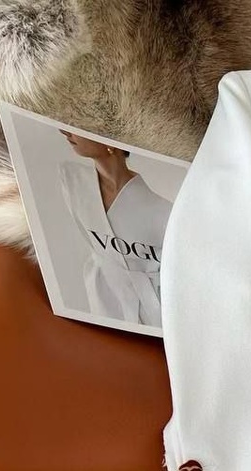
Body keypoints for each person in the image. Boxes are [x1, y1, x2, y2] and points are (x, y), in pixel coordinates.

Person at [57, 131, 172, 325]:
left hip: (153, 308)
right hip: (103, 296)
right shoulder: (73, 181)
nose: (65, 131)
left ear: (110, 141)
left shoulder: (163, 206)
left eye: (79, 127)